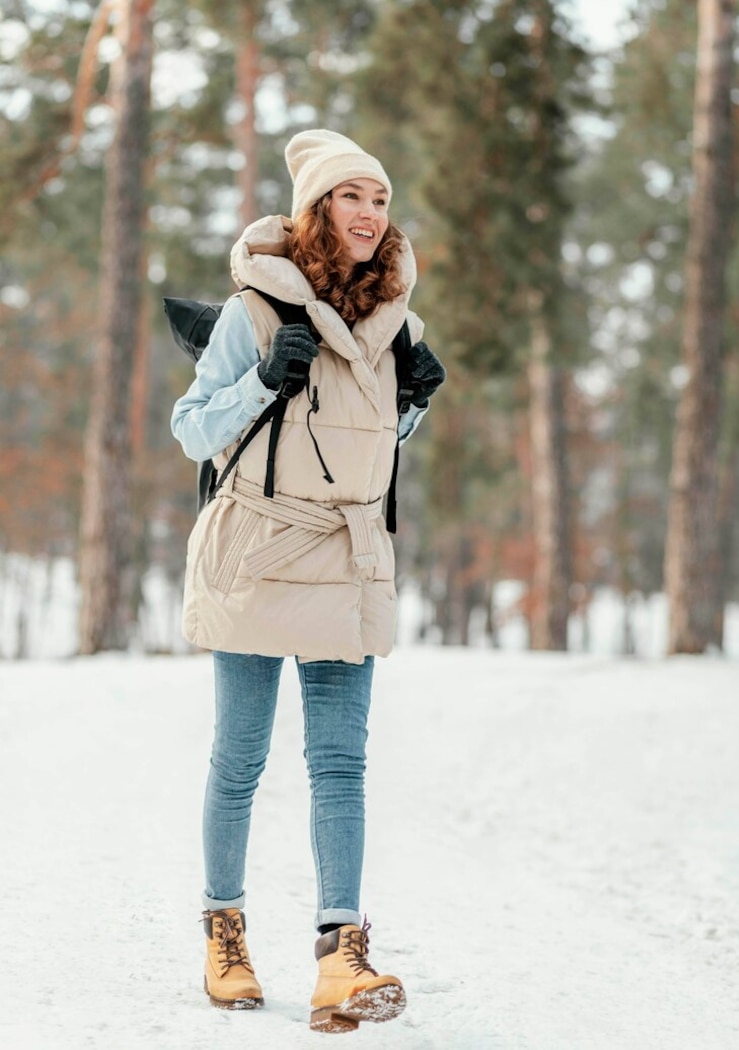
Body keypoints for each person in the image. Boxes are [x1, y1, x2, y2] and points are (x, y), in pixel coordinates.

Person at [170, 129, 446, 1034]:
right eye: (352, 197)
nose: (371, 214)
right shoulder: (252, 310)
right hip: (258, 545)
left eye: (381, 199)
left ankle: (341, 956)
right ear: (317, 210)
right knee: (240, 759)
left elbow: (358, 455)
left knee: (341, 765)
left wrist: (410, 405)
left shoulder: (396, 324)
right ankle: (225, 933)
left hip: (347, 555)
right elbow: (191, 430)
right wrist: (259, 378)